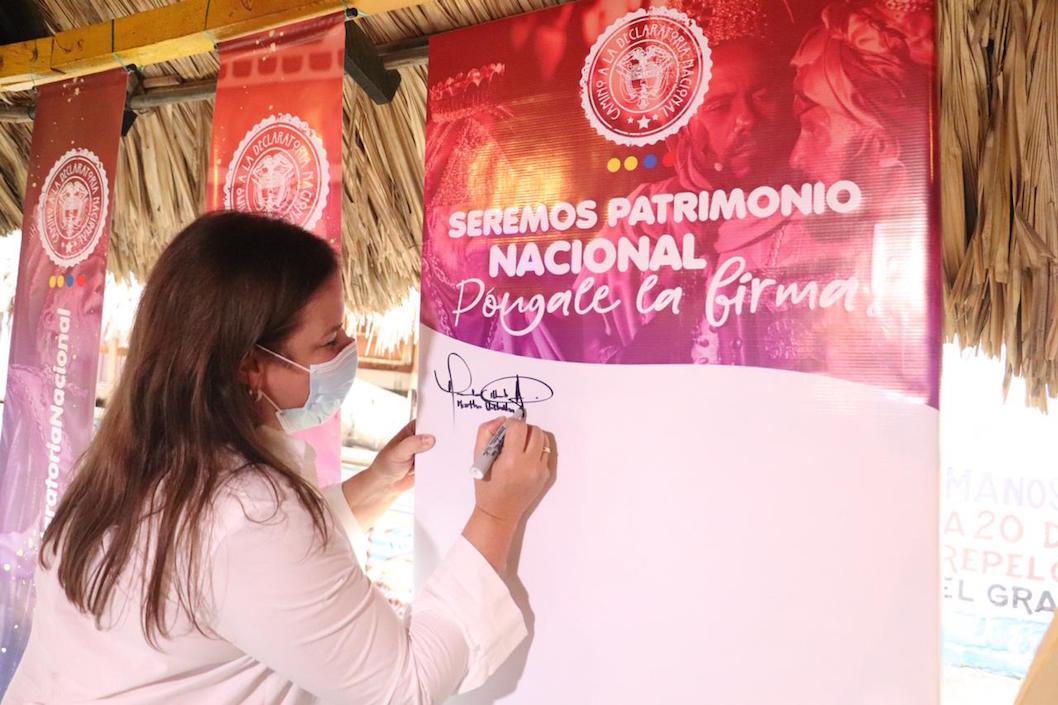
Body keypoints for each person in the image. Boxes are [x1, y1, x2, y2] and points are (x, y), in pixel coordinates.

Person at [2, 211, 554, 704]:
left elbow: (233, 580)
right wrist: (497, 514)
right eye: (329, 339)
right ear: (250, 365)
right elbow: (401, 685)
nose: (348, 353)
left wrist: (378, 484)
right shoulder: (247, 513)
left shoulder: (128, 460)